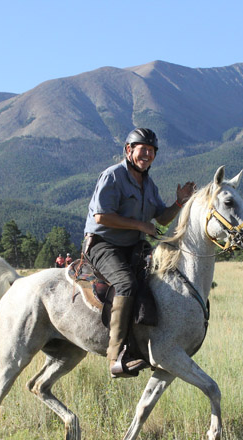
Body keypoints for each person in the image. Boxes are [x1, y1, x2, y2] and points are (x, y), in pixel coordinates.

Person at [83, 127, 195, 378]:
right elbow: (101, 216)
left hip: (132, 246)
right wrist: (140, 225)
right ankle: (115, 357)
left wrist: (179, 202)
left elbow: (162, 219)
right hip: (103, 244)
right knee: (126, 285)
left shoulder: (148, 184)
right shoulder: (112, 176)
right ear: (128, 150)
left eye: (152, 151)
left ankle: (151, 345)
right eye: (142, 149)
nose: (147, 154)